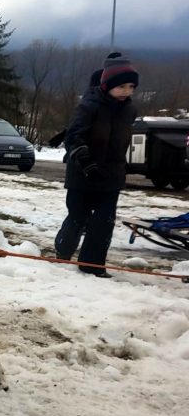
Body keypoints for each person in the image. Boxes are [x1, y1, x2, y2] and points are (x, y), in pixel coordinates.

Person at [53, 53, 139, 277]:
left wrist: (122, 165)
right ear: (106, 85)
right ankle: (63, 250)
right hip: (83, 174)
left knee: (104, 222)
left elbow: (121, 141)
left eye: (131, 87)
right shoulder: (88, 106)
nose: (127, 91)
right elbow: (74, 137)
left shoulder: (129, 110)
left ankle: (92, 266)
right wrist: (86, 162)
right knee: (78, 217)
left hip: (111, 176)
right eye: (121, 87)